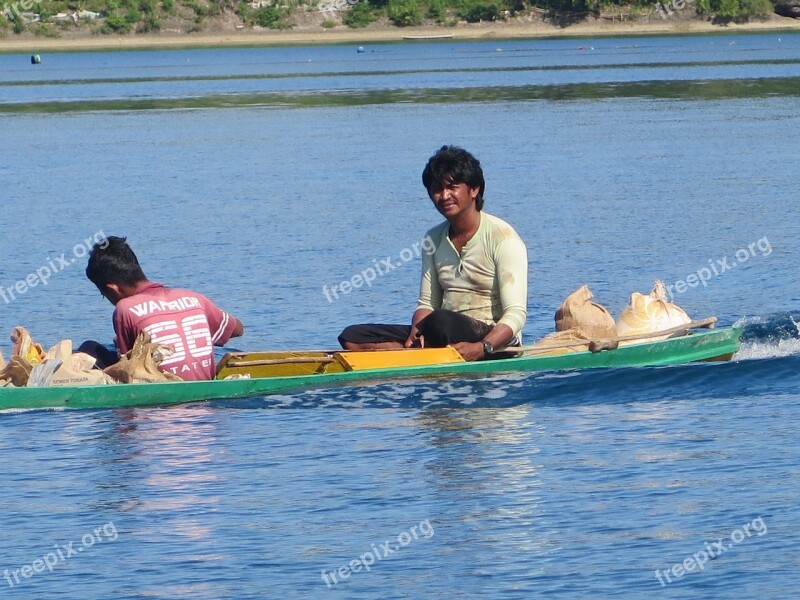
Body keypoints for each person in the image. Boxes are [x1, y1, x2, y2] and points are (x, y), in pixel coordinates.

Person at [338, 145, 528, 361]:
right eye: (437, 189)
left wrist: (483, 347)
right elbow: (427, 303)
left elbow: (516, 314)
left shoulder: (504, 239)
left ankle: (422, 348)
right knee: (352, 336)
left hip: (491, 340)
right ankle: (416, 349)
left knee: (441, 321)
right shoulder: (433, 239)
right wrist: (415, 332)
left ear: (474, 189)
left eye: (452, 187)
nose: (444, 195)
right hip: (440, 330)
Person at [80, 236, 244, 381]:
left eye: (105, 295)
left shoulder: (125, 309)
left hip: (161, 391)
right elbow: (237, 329)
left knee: (89, 348)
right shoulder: (195, 298)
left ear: (113, 289)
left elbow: (127, 369)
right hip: (204, 393)